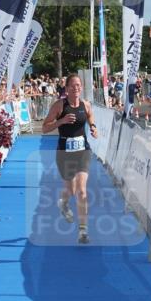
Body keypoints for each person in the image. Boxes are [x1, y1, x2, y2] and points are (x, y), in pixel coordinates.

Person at [42, 74, 99, 244]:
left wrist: (93, 127)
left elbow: (90, 116)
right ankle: (63, 202)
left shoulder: (85, 104)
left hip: (83, 151)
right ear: (66, 89)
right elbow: (45, 128)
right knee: (71, 190)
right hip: (64, 153)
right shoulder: (59, 106)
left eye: (79, 85)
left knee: (81, 191)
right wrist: (62, 121)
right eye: (73, 86)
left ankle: (83, 231)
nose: (76, 88)